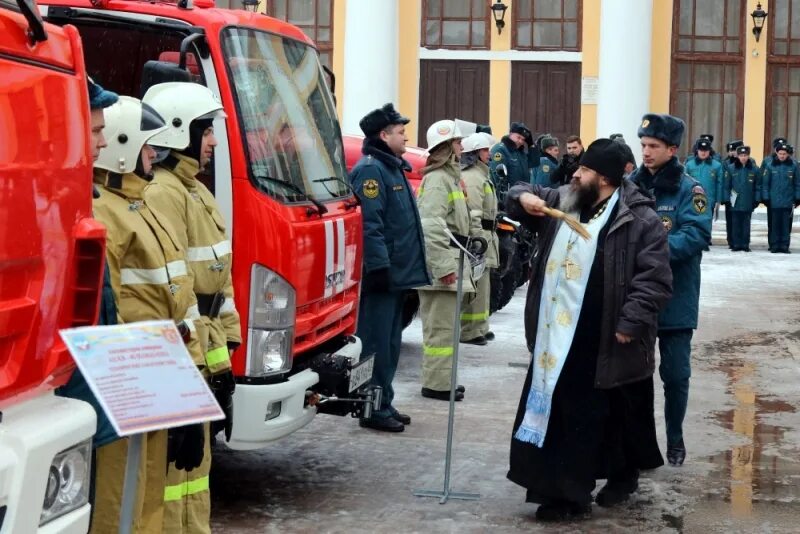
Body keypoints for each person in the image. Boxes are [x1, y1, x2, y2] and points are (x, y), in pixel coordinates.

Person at [505, 138, 672, 521]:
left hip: (602, 335)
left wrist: (630, 322)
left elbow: (654, 280)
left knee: (587, 417)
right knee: (559, 412)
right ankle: (554, 489)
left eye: (584, 171)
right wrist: (522, 199)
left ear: (605, 179)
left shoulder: (639, 219)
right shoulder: (570, 199)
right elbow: (520, 192)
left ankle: (571, 494)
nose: (575, 174)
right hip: (556, 335)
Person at [91, 96, 204, 534]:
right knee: (120, 495)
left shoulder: (139, 203)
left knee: (150, 492)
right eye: (147, 147)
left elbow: (176, 294)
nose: (155, 154)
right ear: (125, 146)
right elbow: (109, 313)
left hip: (157, 372)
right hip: (130, 378)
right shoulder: (107, 211)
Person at [142, 82, 239, 533]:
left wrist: (226, 353)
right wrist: (200, 365)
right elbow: (177, 293)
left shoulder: (195, 191)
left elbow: (220, 279)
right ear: (180, 133)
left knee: (193, 472)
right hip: (185, 349)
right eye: (207, 131)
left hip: (205, 345)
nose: (214, 142)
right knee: (174, 473)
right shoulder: (165, 192)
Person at [629, 114, 711, 467]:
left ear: (672, 149)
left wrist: (650, 251)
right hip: (635, 299)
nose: (646, 153)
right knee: (633, 378)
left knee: (675, 376)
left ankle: (675, 438)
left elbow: (695, 235)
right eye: (643, 145)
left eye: (653, 146)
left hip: (676, 300)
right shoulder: (629, 186)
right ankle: (637, 445)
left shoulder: (690, 189)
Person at [349, 103, 430, 431]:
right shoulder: (371, 170)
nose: (406, 136)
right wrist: (379, 267)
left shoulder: (393, 167)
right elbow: (371, 224)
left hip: (397, 275)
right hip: (382, 276)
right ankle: (370, 406)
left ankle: (385, 401)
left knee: (391, 345)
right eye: (400, 132)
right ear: (384, 135)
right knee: (374, 344)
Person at [417, 119, 477, 401]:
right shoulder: (439, 179)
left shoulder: (449, 177)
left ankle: (443, 380)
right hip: (443, 267)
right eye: (457, 142)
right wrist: (443, 268)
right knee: (440, 331)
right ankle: (437, 384)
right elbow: (431, 226)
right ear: (446, 147)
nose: (462, 146)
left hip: (452, 261)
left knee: (447, 329)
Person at [459, 132, 499, 346]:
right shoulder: (473, 177)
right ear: (474, 153)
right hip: (481, 236)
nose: (489, 154)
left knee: (484, 286)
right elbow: (473, 211)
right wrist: (477, 240)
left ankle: (480, 327)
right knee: (476, 285)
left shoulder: (481, 174)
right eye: (485, 150)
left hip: (487, 236)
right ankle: (470, 331)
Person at [760, 142, 799, 253]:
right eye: (780, 153)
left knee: (786, 226)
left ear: (788, 154)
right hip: (774, 201)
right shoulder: (770, 165)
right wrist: (766, 198)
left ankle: (784, 246)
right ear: (776, 153)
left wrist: (797, 198)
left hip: (788, 201)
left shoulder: (794, 166)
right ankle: (775, 245)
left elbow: (797, 184)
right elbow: (765, 184)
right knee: (775, 225)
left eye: (784, 154)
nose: (782, 156)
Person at [722, 146, 760, 252]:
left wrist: (756, 200)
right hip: (735, 201)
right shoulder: (731, 168)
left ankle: (745, 244)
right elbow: (726, 186)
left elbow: (758, 186)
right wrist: (726, 200)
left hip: (748, 200)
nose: (743, 158)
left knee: (746, 224)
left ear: (748, 156)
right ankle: (736, 244)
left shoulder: (754, 169)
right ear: (737, 156)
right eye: (741, 155)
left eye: (745, 155)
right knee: (735, 223)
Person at [684, 137, 724, 229]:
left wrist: (718, 200)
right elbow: (685, 182)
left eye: (706, 150)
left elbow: (719, 184)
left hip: (709, 199)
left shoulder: (717, 165)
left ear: (709, 151)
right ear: (697, 150)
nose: (703, 152)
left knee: (707, 220)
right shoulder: (689, 165)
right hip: (692, 198)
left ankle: (706, 238)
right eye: (701, 150)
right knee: (693, 221)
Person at [489, 122, 539, 195]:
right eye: (518, 137)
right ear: (511, 133)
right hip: (509, 197)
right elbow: (497, 178)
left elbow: (534, 162)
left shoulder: (520, 153)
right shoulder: (500, 150)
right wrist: (503, 197)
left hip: (522, 196)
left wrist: (531, 144)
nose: (520, 141)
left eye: (523, 139)